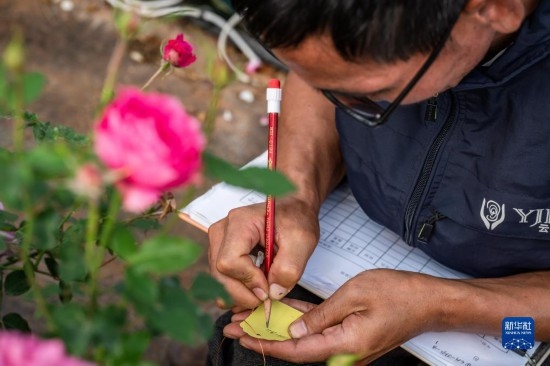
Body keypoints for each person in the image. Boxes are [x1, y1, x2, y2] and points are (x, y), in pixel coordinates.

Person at [206, 0, 550, 364]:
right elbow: (324, 71)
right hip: (355, 263)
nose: (336, 98)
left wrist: (444, 308)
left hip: (520, 319)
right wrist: (297, 194)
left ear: (495, 9)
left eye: (370, 95)